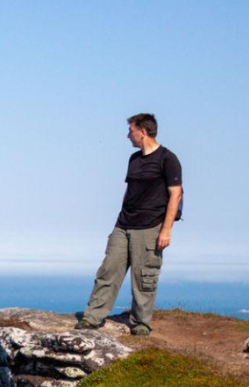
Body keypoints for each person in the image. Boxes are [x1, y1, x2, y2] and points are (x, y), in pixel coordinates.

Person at [76, 113, 183, 336]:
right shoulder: (134, 160)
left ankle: (141, 323)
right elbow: (130, 191)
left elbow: (176, 195)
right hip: (124, 224)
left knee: (144, 276)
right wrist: (120, 218)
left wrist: (166, 230)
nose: (128, 136)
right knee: (108, 270)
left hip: (151, 226)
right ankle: (93, 317)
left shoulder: (168, 159)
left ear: (142, 132)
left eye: (131, 131)